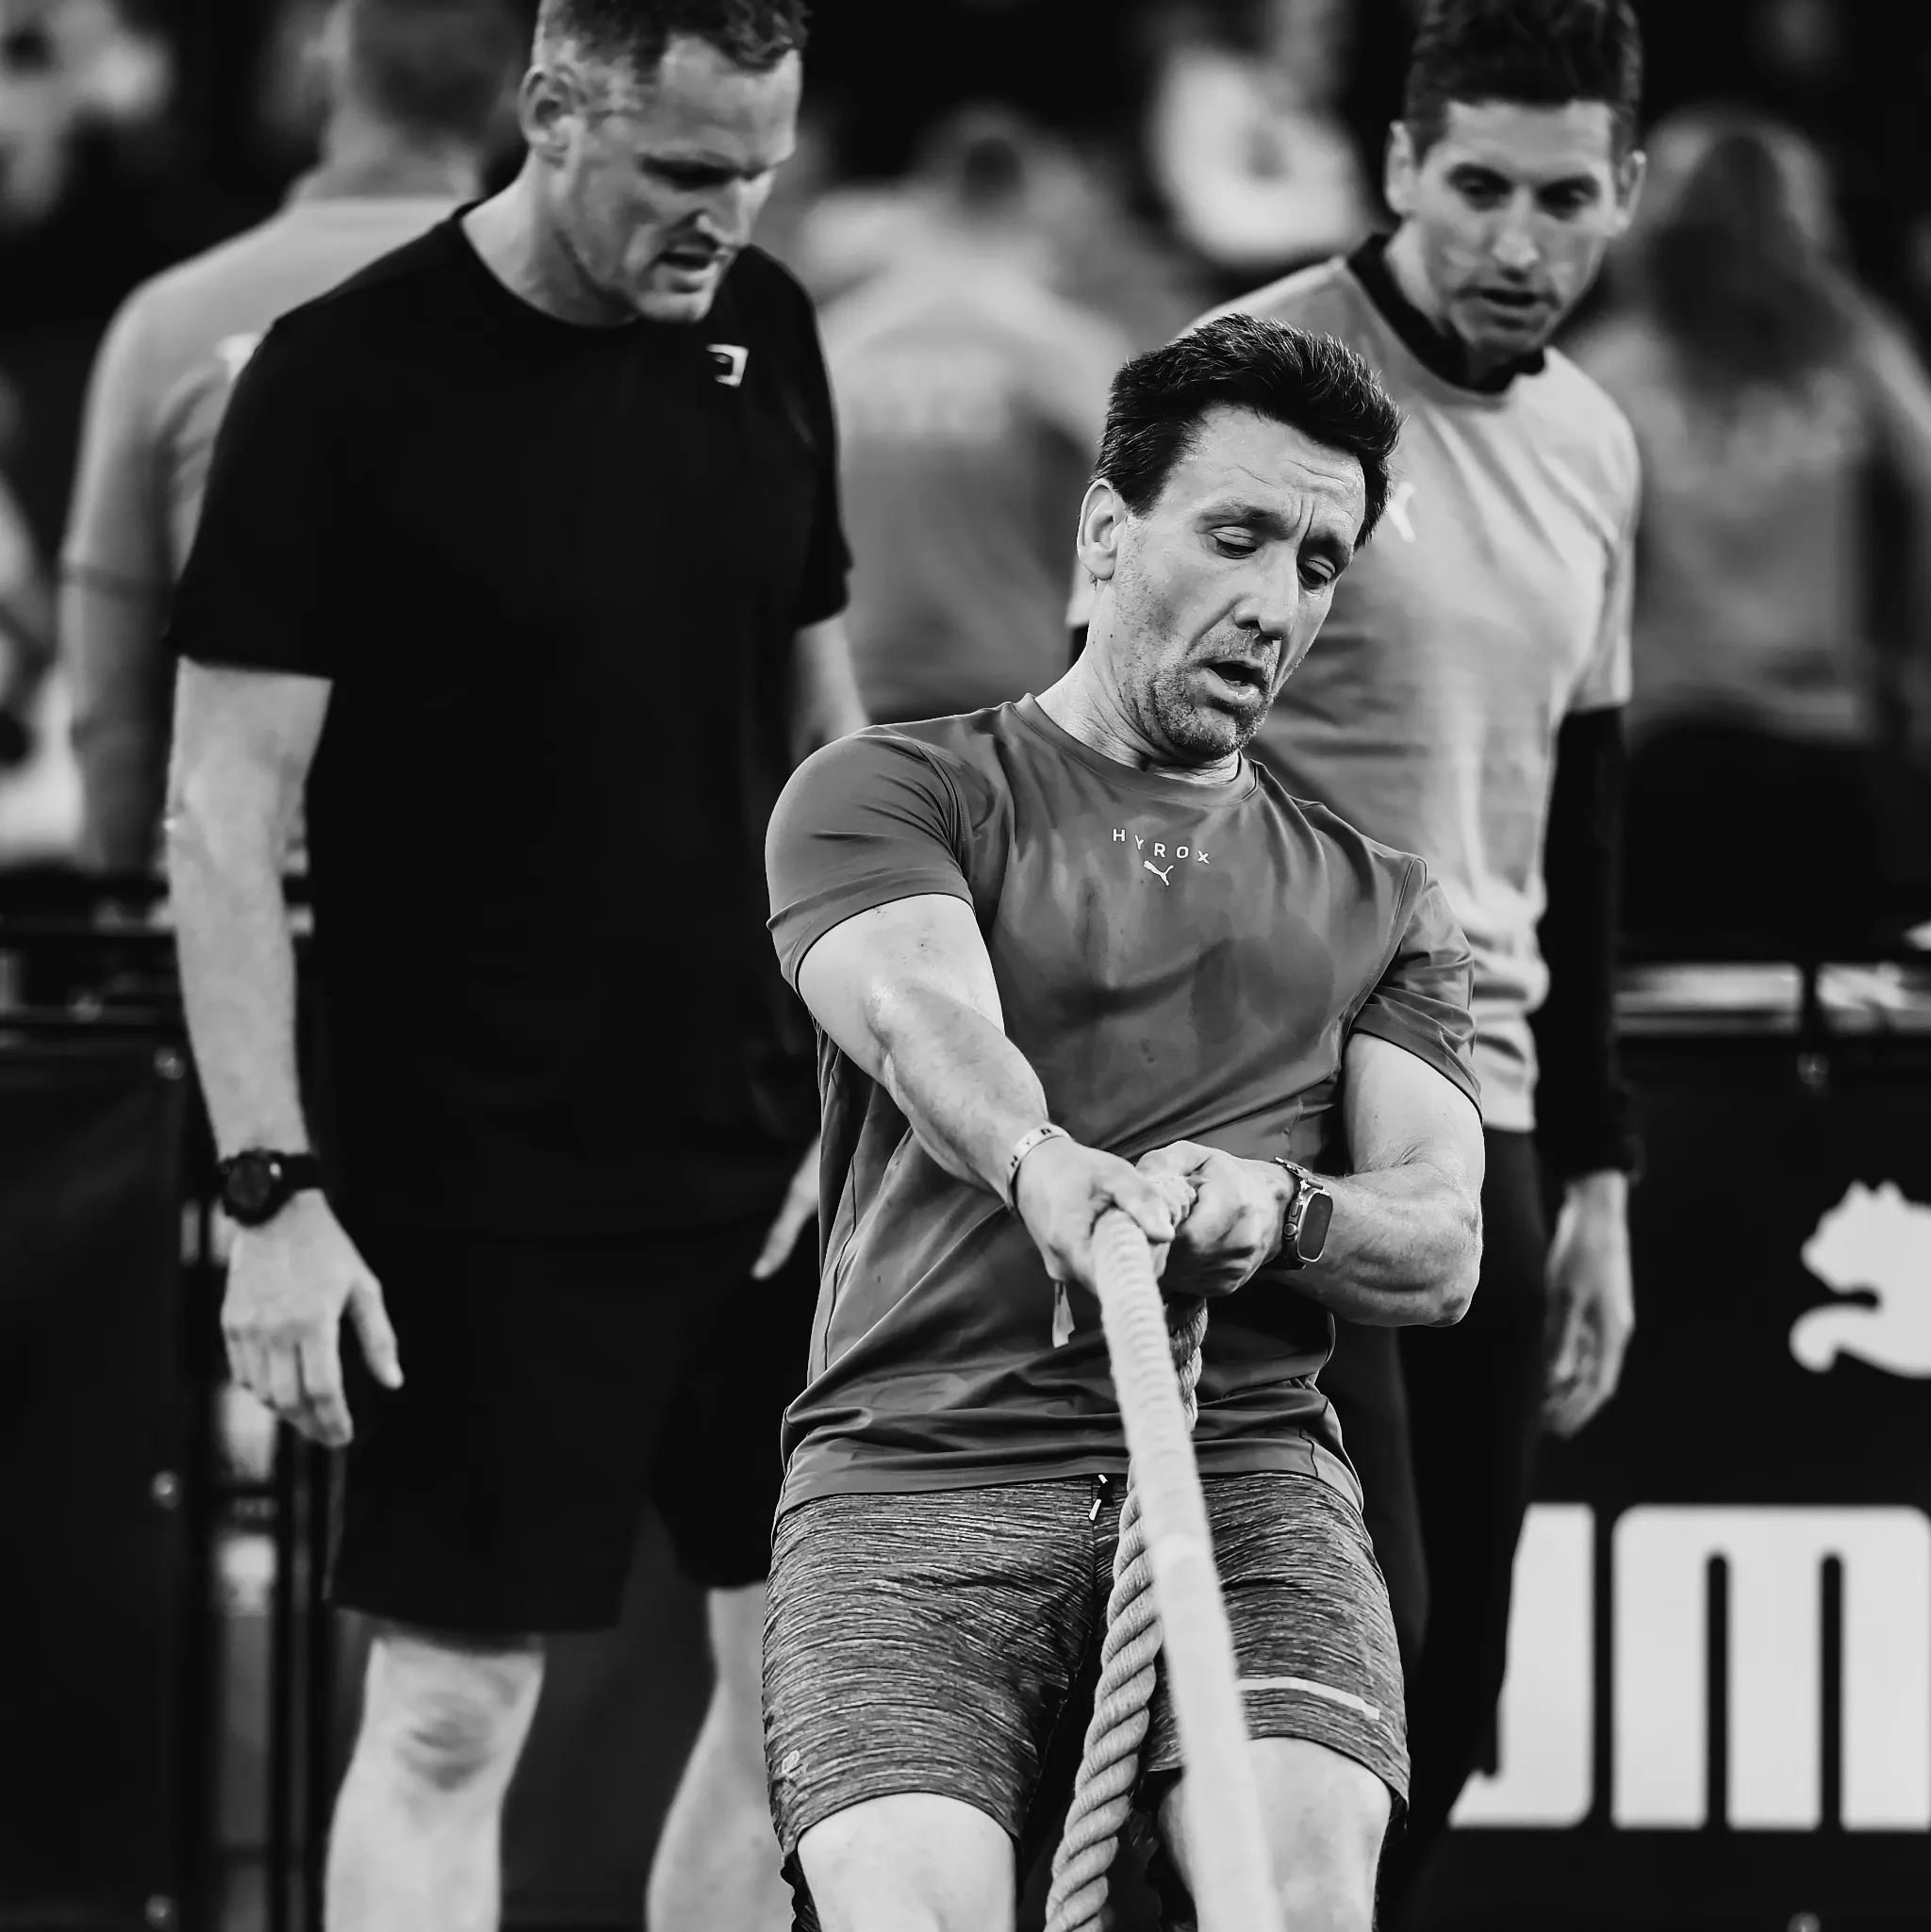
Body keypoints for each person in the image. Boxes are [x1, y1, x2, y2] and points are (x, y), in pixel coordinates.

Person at [159, 3, 864, 1928]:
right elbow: (221, 817)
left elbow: (822, 735)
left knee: (808, 1698)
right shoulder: (340, 380)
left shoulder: (766, 330)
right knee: (456, 1712)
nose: (729, 215)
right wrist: (269, 1190)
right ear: (555, 111)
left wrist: (853, 1061)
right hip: (469, 1171)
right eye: (685, 173)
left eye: (762, 170)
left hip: (759, 1150)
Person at [764, 313, 1485, 1932]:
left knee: (1295, 1899)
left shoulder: (1382, 901)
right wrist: (1042, 1166)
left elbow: (1439, 1238)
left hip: (1238, 1477)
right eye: (1231, 534)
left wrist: (1280, 1208)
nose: (1271, 601)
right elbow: (917, 1012)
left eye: (1314, 562)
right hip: (912, 1474)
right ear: (1104, 531)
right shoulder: (890, 788)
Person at [1073, 1, 1647, 1915]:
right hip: (1256, 1097)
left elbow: (1575, 818)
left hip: (1475, 1113)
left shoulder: (1590, 442)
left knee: (1453, 1697)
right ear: (1399, 168)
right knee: (1313, 1680)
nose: (1514, 238)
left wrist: (1598, 1168)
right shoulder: (1266, 399)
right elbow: (1110, 717)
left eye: (1562, 197)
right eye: (1473, 185)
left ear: (1623, 196)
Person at [60, 0, 517, 876]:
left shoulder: (172, 322)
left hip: (249, 905)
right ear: (513, 99)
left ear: (326, 77)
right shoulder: (580, 324)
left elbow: (110, 703)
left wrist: (126, 904)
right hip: (507, 926)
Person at [1573, 108, 1931, 956]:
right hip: (1830, 755)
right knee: (1835, 1057)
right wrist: (1912, 665)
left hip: (1661, 758)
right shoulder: (1858, 353)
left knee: (1676, 1055)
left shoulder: (1609, 366)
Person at [822, 108, 1133, 723]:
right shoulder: (1061, 353)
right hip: (1009, 690)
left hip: (855, 692)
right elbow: (1141, 524)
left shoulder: (836, 347)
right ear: (1028, 204)